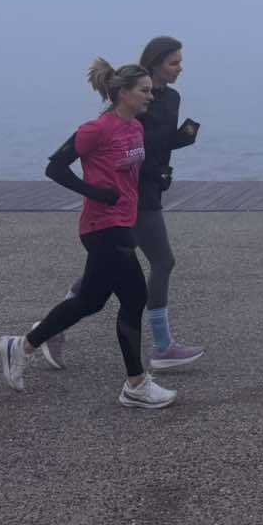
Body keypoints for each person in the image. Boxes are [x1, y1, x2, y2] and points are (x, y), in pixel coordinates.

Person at [0, 60, 178, 409]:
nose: (150, 97)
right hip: (102, 227)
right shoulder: (97, 129)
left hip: (123, 222)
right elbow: (55, 167)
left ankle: (22, 345)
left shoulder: (135, 128)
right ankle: (136, 384)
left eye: (150, 92)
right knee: (134, 297)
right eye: (144, 91)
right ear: (122, 93)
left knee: (90, 301)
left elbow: (130, 173)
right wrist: (95, 192)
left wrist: (156, 178)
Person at [44, 36, 203, 371]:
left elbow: (154, 145)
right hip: (128, 192)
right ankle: (161, 348)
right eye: (174, 62)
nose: (180, 68)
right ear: (156, 62)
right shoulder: (131, 98)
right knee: (162, 262)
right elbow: (118, 137)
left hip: (149, 188)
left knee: (99, 276)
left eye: (181, 61)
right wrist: (97, 189)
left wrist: (175, 149)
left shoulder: (171, 97)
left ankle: (48, 330)